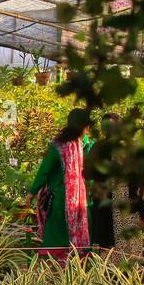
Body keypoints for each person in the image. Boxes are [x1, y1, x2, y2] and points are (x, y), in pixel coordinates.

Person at [85, 112, 144, 255]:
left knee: (127, 240)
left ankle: (124, 272)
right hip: (107, 202)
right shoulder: (99, 147)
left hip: (127, 201)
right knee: (109, 240)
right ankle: (113, 272)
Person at [28, 108, 92, 257]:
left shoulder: (60, 145)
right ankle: (73, 263)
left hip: (61, 199)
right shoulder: (78, 144)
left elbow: (44, 171)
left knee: (56, 235)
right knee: (70, 233)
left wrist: (31, 193)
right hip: (75, 199)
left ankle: (56, 270)